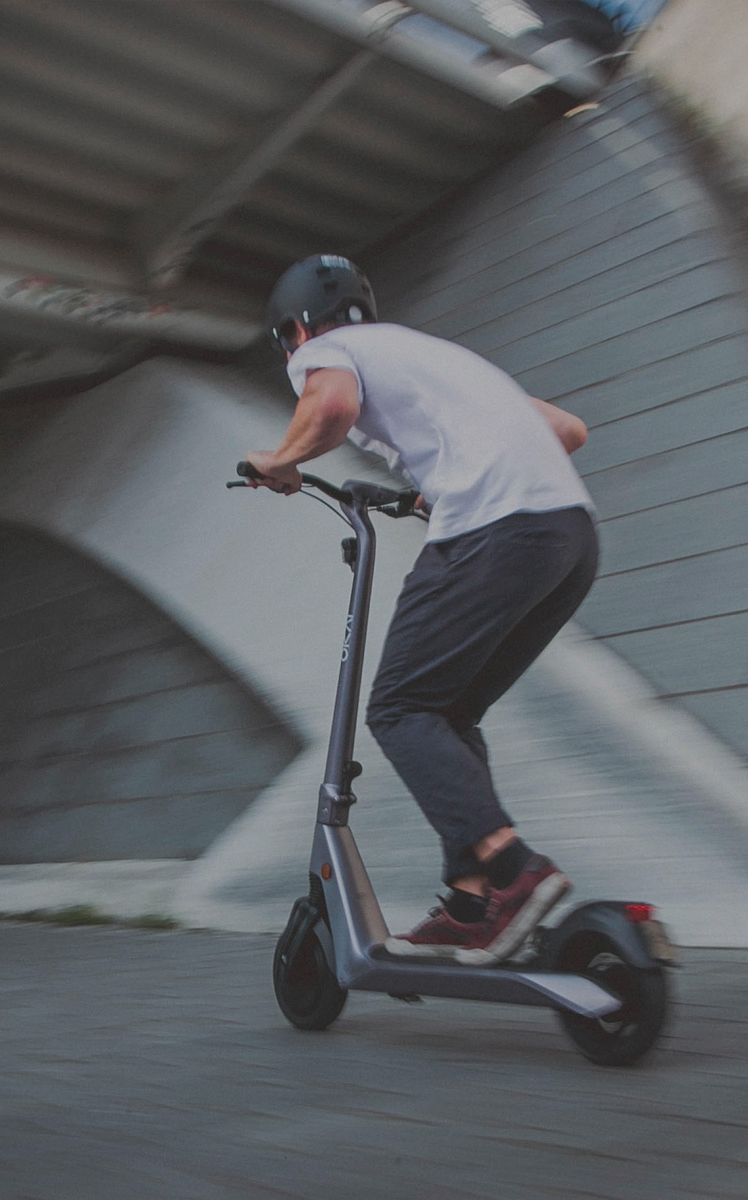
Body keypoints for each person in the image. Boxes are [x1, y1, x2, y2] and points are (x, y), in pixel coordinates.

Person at [243, 254, 597, 965]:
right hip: (569, 539)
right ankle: (471, 904)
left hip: (497, 532)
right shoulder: (431, 354)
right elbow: (567, 430)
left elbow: (333, 407)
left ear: (295, 330)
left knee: (399, 709)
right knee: (448, 713)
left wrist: (281, 460)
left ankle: (512, 869)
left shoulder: (328, 352)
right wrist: (437, 484)